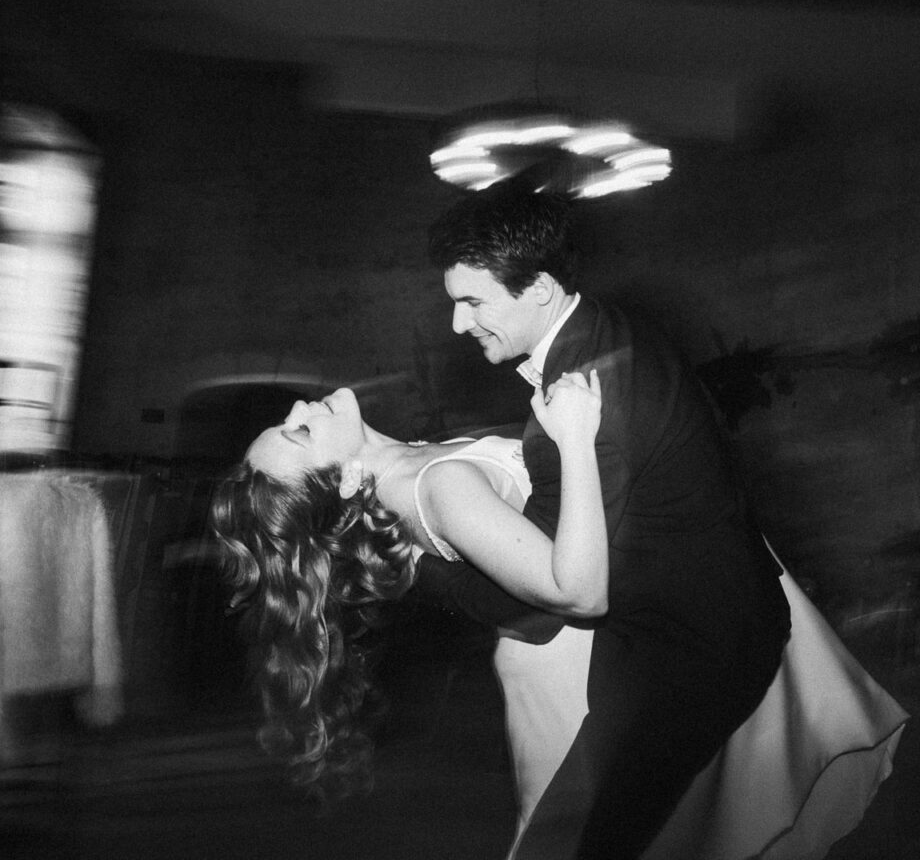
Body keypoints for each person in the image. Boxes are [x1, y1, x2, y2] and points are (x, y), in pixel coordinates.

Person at [417, 183, 794, 859]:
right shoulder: (596, 332)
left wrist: (418, 558)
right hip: (669, 627)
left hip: (697, 652)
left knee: (603, 843)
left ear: (538, 288)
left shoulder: (591, 394)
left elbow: (549, 594)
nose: (456, 323)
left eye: (472, 301)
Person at [207, 377, 606, 816]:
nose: (301, 407)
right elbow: (580, 593)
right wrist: (576, 438)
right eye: (301, 431)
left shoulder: (413, 465)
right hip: (579, 685)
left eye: (287, 418)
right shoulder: (438, 487)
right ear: (346, 480)